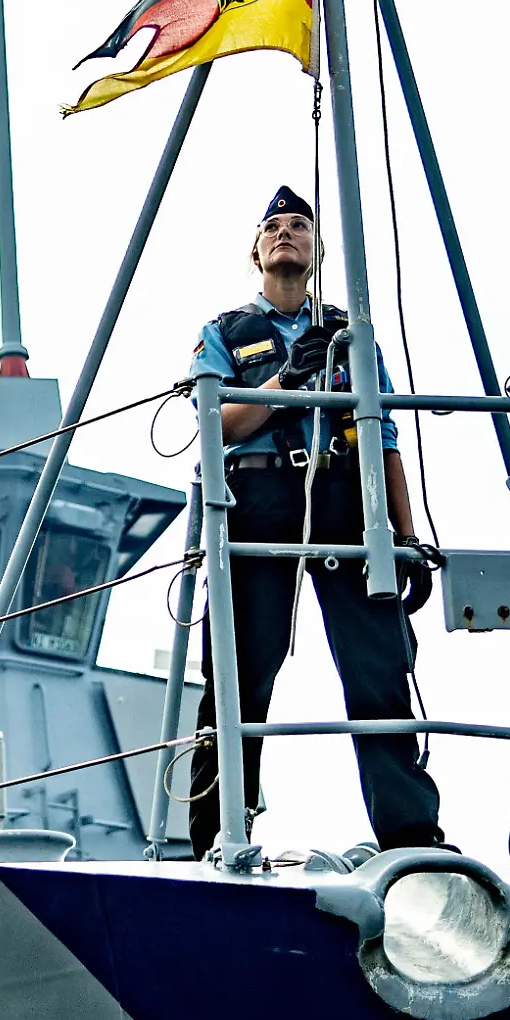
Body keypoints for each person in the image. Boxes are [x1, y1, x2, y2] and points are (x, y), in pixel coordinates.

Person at [187, 185, 444, 860]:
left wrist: (404, 535)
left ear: (317, 248)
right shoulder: (224, 334)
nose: (285, 234)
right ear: (256, 252)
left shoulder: (351, 336)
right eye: (273, 227)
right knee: (240, 673)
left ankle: (411, 835)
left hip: (340, 495)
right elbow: (218, 424)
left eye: (298, 225)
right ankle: (219, 834)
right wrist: (287, 383)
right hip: (258, 499)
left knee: (378, 670)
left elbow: (381, 430)